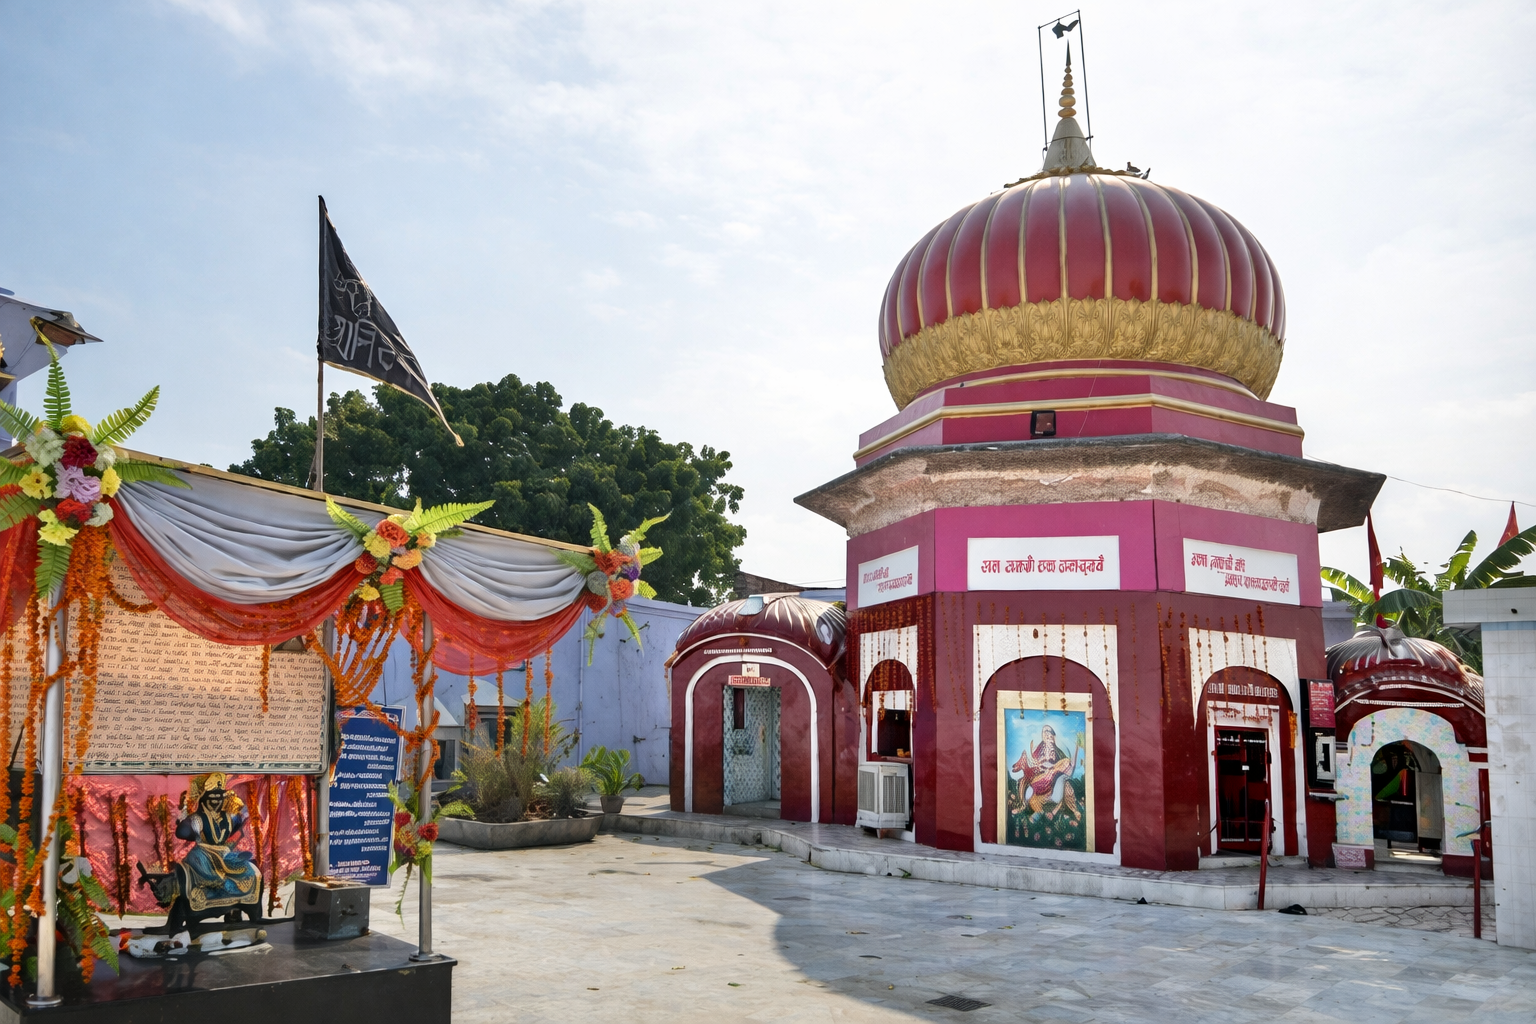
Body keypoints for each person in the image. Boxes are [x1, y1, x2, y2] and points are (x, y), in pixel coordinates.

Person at [175, 772, 262, 913]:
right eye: (212, 798)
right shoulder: (197, 819)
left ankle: (237, 898)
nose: (216, 801)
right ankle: (218, 887)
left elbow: (243, 816)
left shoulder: (229, 817)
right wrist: (184, 812)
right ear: (204, 799)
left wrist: (237, 804)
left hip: (224, 853)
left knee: (247, 868)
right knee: (200, 863)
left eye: (219, 798)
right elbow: (181, 832)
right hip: (202, 853)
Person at [1011, 724, 1082, 824]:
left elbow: (1068, 767)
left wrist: (1076, 750)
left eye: (1050, 735)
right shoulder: (1037, 750)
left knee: (1066, 785)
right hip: (1039, 779)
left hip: (1054, 780)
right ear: (1043, 736)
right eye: (1046, 734)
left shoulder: (1059, 753)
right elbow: (1034, 764)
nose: (1048, 737)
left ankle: (1073, 811)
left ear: (1054, 737)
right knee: (1022, 781)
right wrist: (1039, 766)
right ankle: (1022, 806)